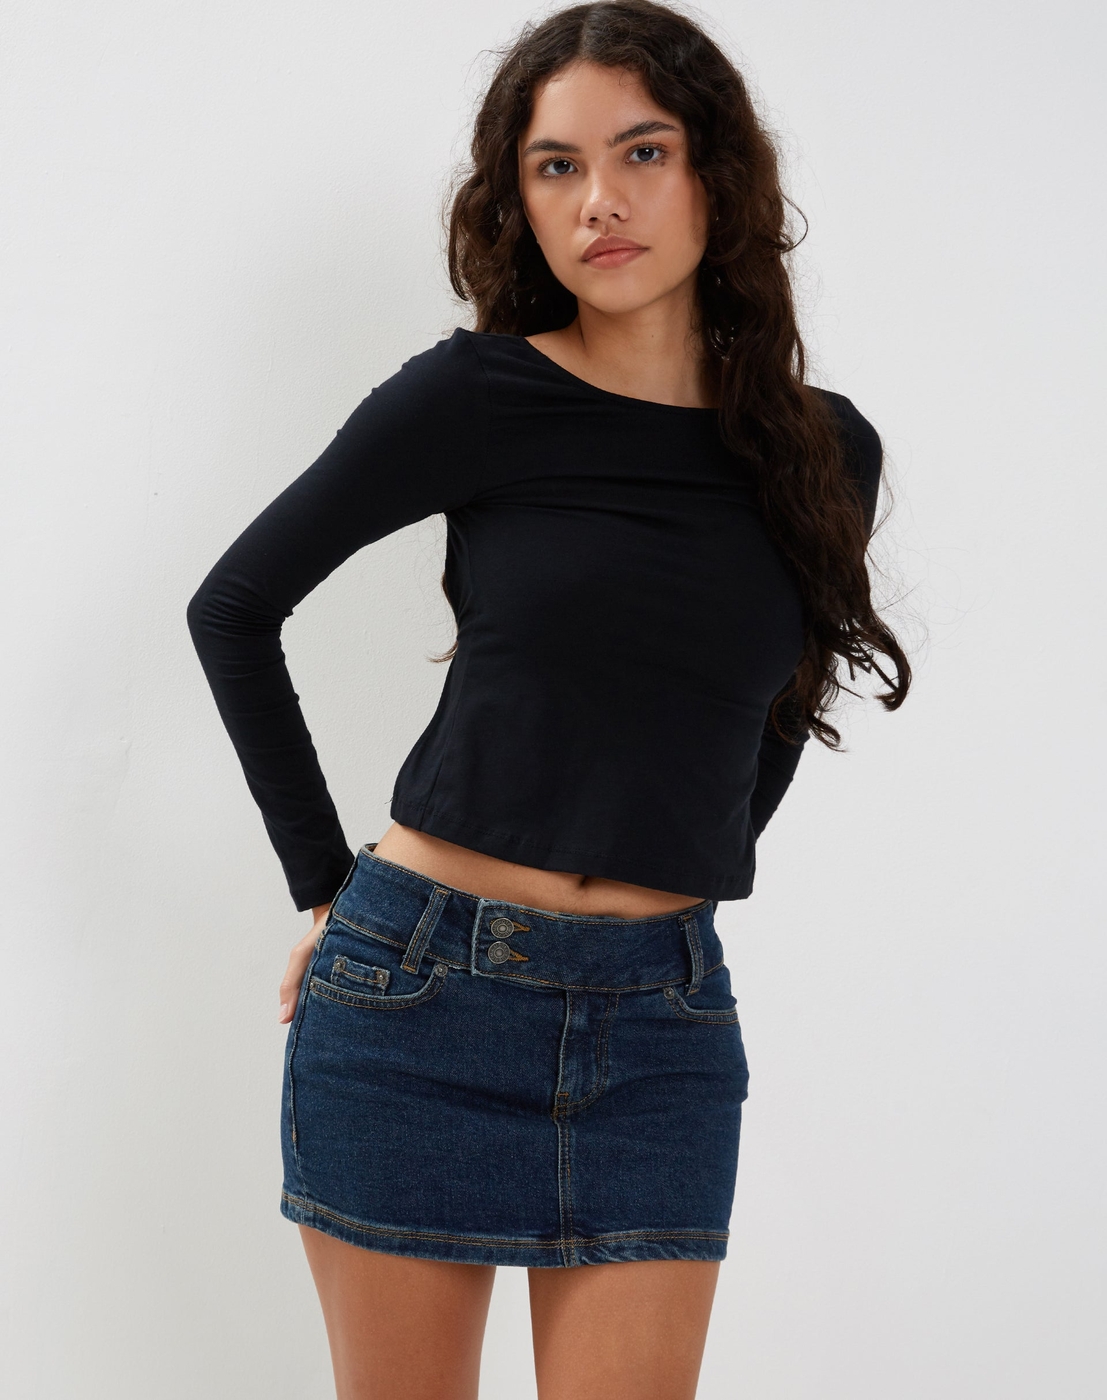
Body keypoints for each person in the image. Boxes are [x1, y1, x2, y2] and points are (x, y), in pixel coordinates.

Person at [186, 2, 910, 1395]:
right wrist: (326, 892)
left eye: (643, 152)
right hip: (416, 1004)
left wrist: (676, 864)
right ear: (518, 202)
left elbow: (776, 700)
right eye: (557, 166)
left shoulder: (825, 450)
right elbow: (234, 608)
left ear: (717, 175)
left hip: (660, 1029)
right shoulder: (475, 397)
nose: (600, 202)